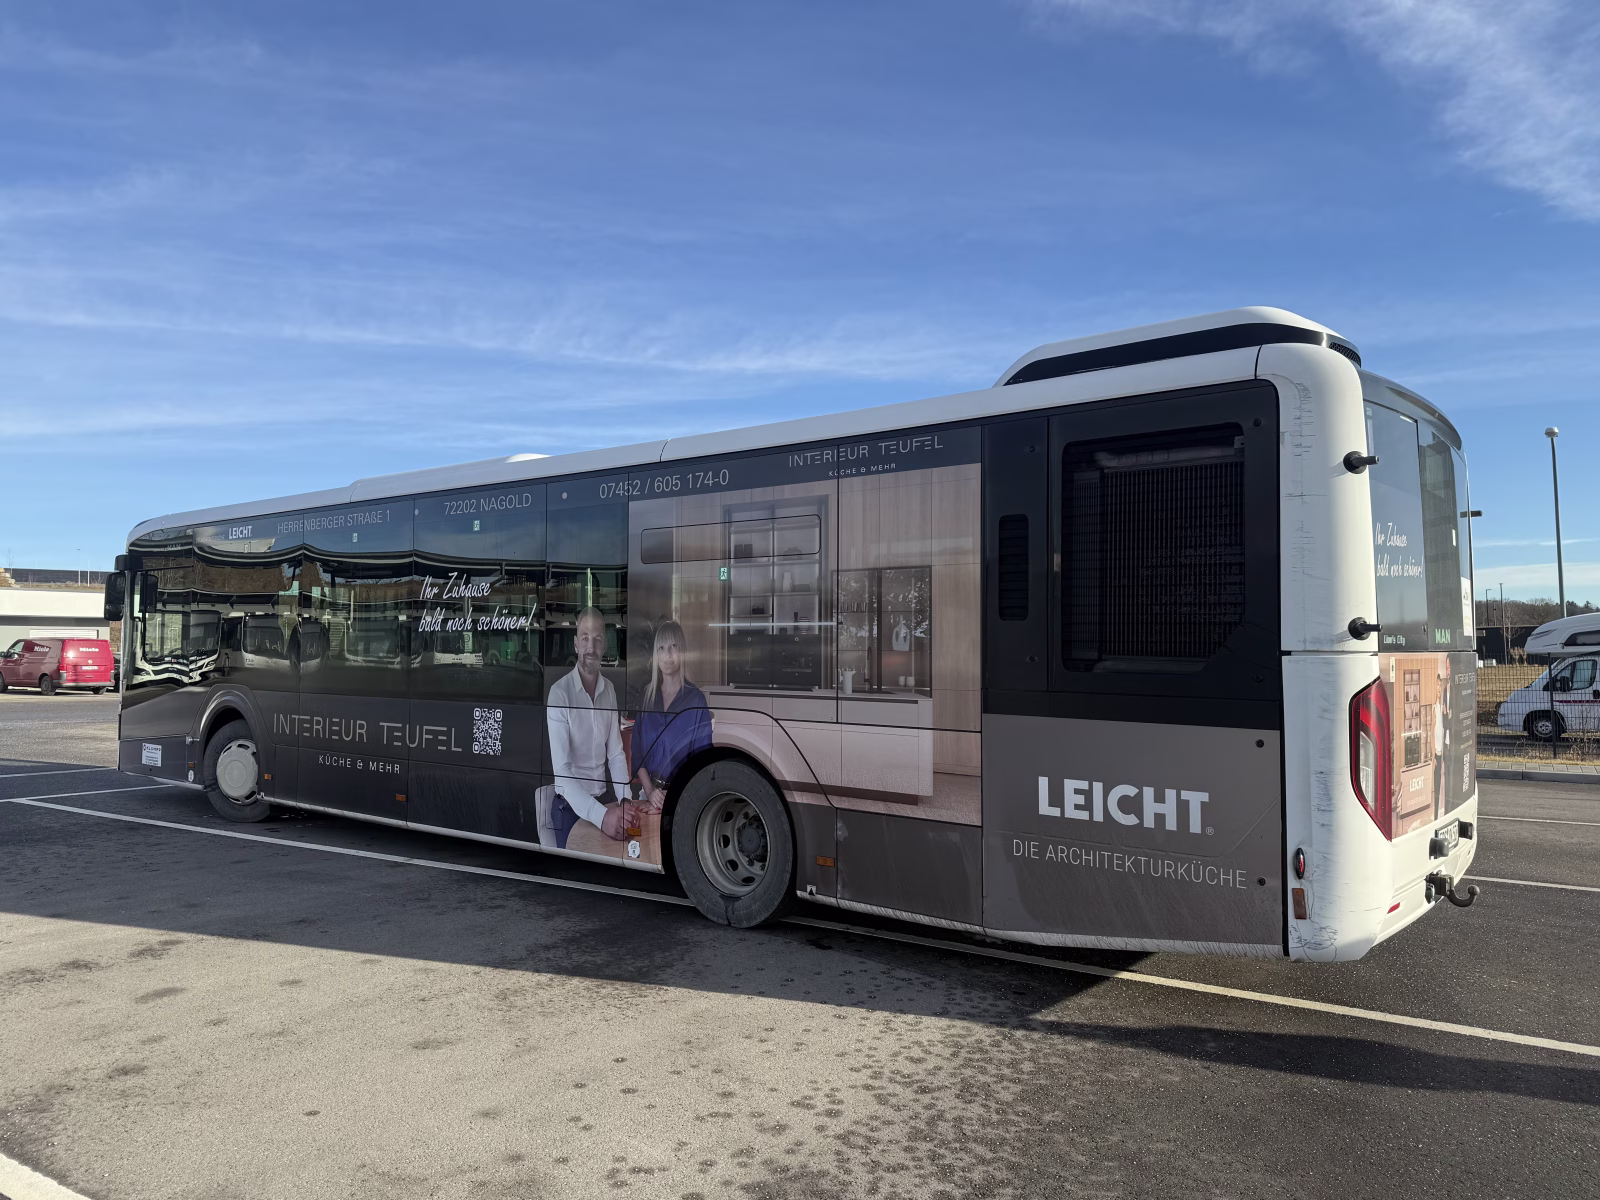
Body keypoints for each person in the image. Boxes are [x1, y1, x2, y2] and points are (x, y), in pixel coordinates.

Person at [545, 607, 638, 847]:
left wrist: (625, 799)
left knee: (626, 857)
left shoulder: (609, 691)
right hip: (570, 810)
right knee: (579, 878)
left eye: (597, 639)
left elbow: (616, 755)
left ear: (604, 645)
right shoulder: (559, 693)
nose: (591, 647)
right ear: (576, 644)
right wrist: (602, 816)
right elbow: (562, 772)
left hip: (606, 802)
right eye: (585, 638)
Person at [631, 620, 713, 812]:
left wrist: (672, 797)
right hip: (648, 796)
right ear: (656, 654)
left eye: (673, 646)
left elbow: (701, 762)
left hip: (684, 797)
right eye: (661, 648)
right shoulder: (646, 697)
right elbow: (637, 754)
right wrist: (651, 793)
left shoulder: (696, 700)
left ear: (682, 651)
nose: (667, 655)